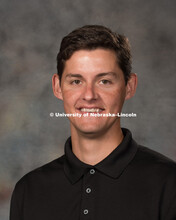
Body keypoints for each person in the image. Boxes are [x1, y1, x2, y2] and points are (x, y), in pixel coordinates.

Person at [10, 25, 176, 220]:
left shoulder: (169, 184)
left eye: (104, 81)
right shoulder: (29, 190)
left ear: (129, 87)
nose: (89, 96)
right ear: (57, 87)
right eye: (76, 81)